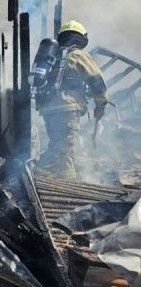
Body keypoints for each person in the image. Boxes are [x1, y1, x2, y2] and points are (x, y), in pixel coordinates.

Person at [36, 20, 108, 180]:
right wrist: (101, 103)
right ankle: (35, 178)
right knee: (61, 147)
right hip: (66, 107)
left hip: (48, 108)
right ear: (79, 39)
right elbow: (96, 79)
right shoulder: (77, 54)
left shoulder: (52, 56)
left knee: (66, 150)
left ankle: (70, 182)